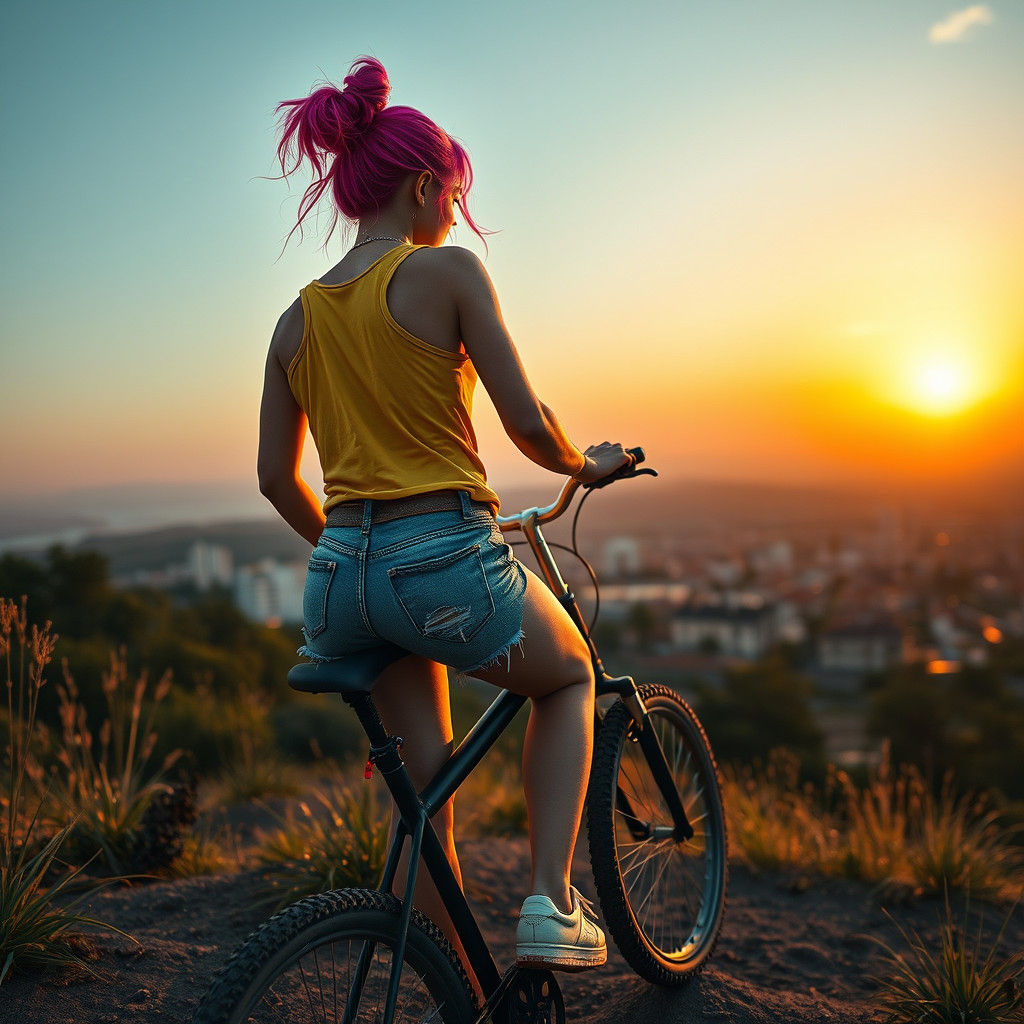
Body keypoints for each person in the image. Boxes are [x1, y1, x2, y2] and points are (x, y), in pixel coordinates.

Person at [257, 56, 630, 995]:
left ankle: (459, 996)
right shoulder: (448, 272)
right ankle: (550, 902)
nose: (456, 215)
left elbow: (274, 479)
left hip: (339, 578)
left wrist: (361, 560)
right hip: (445, 563)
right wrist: (586, 463)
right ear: (425, 185)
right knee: (571, 676)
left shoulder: (293, 323)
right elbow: (527, 422)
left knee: (425, 798)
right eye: (454, 194)